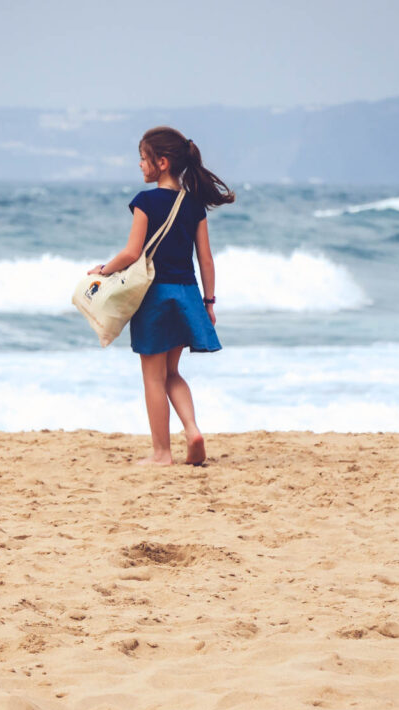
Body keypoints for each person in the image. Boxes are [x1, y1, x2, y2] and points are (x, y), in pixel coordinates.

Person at [87, 126, 235, 465]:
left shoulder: (146, 202)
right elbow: (206, 259)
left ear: (162, 162)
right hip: (186, 296)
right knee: (172, 373)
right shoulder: (193, 203)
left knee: (153, 377)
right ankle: (193, 429)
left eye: (143, 159)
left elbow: (131, 253)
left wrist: (102, 270)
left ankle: (161, 453)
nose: (140, 165)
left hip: (154, 298)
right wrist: (209, 303)